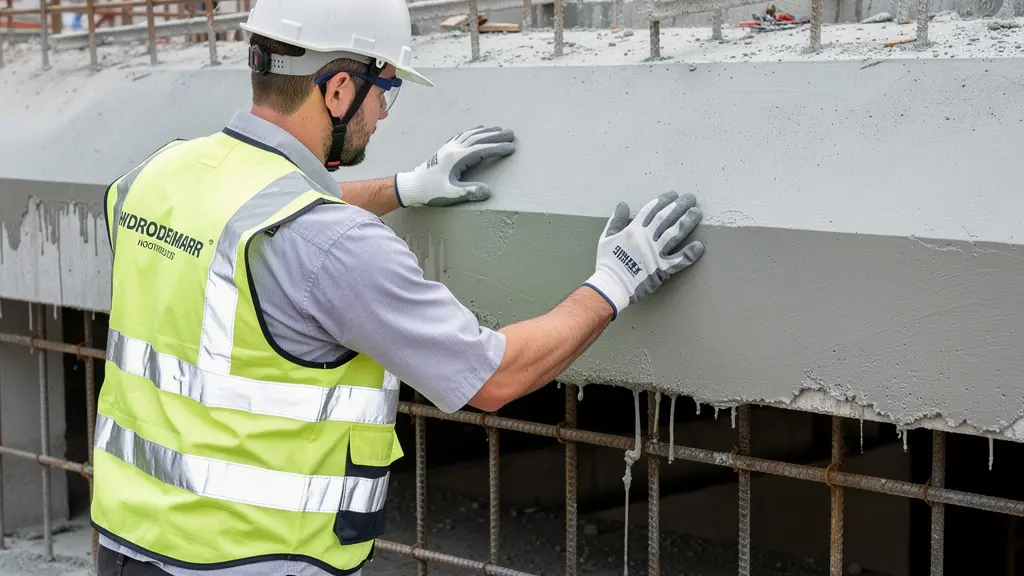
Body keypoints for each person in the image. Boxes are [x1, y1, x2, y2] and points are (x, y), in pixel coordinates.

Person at [91, 0, 705, 574]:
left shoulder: (153, 177)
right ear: (338, 89)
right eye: (385, 88)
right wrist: (614, 281)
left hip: (126, 543)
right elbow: (495, 377)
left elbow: (264, 208)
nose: (384, 111)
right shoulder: (340, 245)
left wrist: (404, 188)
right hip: (255, 557)